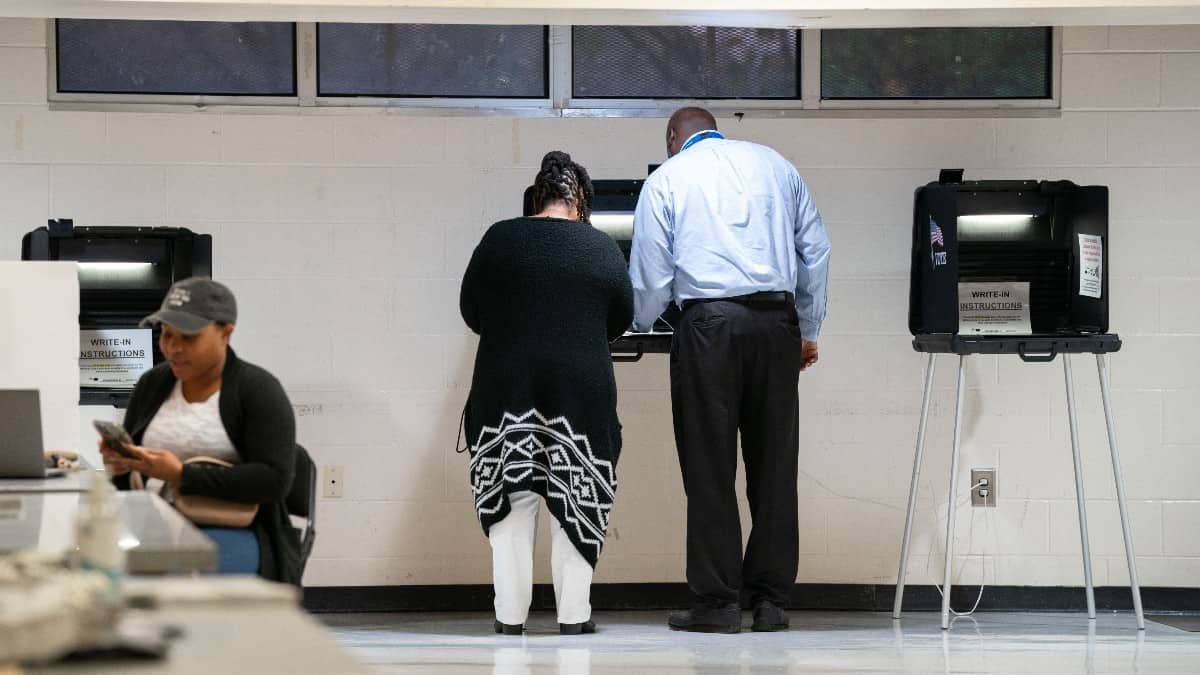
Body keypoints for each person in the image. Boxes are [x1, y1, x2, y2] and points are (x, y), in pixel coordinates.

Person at [630, 107, 831, 633]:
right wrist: (807, 329)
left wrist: (638, 321)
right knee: (773, 467)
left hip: (710, 327)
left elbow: (651, 273)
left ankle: (718, 605)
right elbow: (816, 250)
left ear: (675, 138)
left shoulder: (667, 178)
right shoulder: (777, 165)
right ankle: (770, 602)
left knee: (709, 466)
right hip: (775, 321)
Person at [461, 151, 633, 636]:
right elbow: (620, 318)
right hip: (581, 392)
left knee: (514, 503)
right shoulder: (600, 248)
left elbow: (471, 309)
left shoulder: (499, 238)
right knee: (572, 495)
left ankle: (510, 617)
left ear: (535, 199)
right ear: (580, 204)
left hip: (505, 387)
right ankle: (574, 617)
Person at [99, 277, 301, 584]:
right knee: (94, 567)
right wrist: (120, 464)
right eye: (166, 335)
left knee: (162, 578)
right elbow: (128, 484)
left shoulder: (258, 390)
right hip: (153, 522)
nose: (174, 349)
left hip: (234, 528)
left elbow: (273, 481)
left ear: (226, 333)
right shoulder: (153, 384)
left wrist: (181, 476)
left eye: (188, 338)